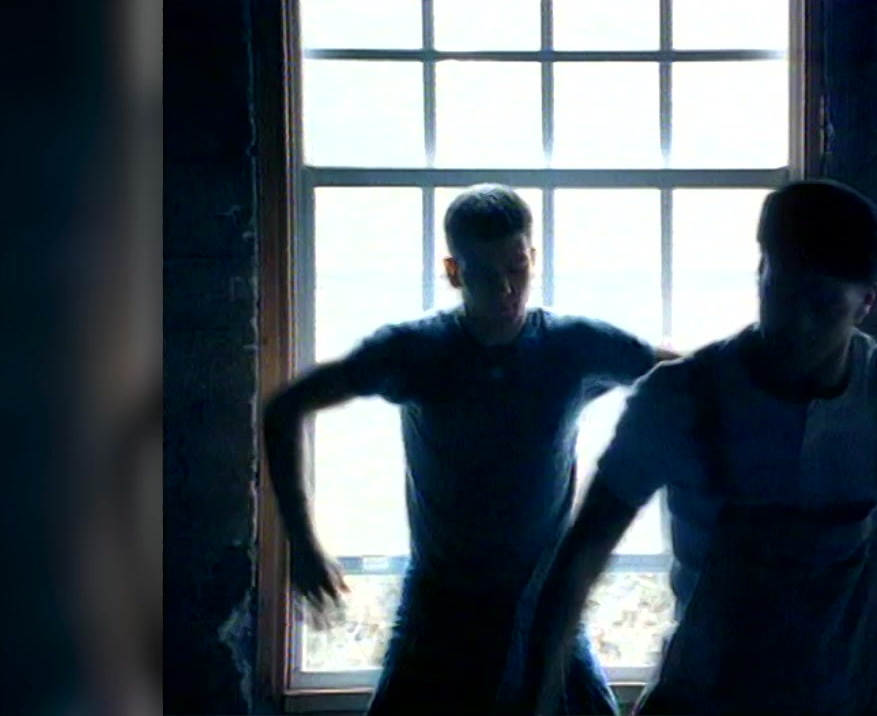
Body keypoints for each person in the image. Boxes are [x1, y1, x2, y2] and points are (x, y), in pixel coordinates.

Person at [525, 179, 877, 716]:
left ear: (866, 303)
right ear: (761, 271)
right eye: (781, 290)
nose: (796, 322)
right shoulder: (680, 400)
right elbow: (580, 559)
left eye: (823, 305)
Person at [262, 184, 678, 715]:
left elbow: (683, 377)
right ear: (454, 271)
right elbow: (286, 408)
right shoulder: (417, 351)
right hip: (441, 603)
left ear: (532, 257)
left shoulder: (570, 346)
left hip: (541, 601)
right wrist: (300, 540)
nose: (505, 289)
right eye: (484, 272)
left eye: (516, 267)